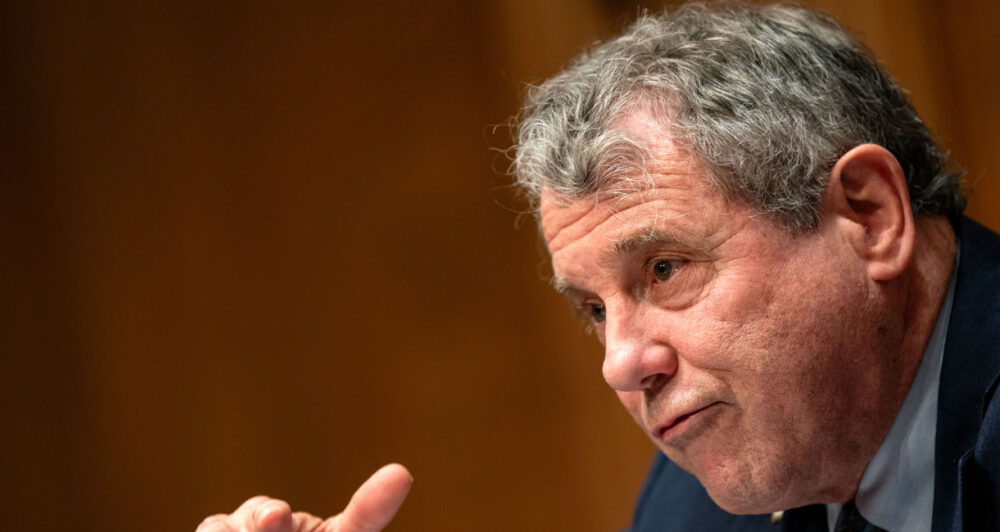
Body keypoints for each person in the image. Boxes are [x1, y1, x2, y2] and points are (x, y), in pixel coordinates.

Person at [198, 3, 1000, 531]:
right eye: (593, 309)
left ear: (869, 215)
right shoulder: (696, 505)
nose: (622, 365)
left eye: (664, 269)